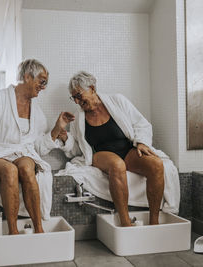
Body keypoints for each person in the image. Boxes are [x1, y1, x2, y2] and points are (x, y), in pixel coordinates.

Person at [59, 71, 174, 226]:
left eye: (79, 95)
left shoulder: (117, 101)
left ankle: (154, 221)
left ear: (92, 88)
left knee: (156, 164)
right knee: (117, 165)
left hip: (127, 150)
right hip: (100, 154)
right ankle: (125, 221)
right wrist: (65, 138)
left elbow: (141, 123)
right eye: (74, 98)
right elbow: (77, 149)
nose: (78, 101)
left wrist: (141, 142)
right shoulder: (78, 118)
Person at [0, 59, 73, 235]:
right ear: (28, 77)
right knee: (10, 171)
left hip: (23, 153)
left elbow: (38, 147)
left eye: (45, 83)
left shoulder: (37, 111)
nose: (43, 87)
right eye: (42, 81)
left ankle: (39, 229)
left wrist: (57, 128)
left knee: (28, 170)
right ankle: (12, 231)